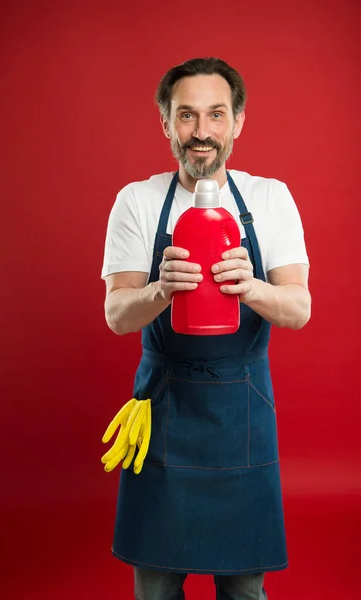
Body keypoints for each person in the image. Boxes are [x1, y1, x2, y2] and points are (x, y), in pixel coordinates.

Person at [101, 57, 311, 600]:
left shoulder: (270, 199)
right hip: (163, 410)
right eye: (186, 115)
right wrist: (159, 290)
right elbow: (117, 316)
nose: (201, 132)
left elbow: (299, 309)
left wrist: (253, 287)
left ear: (237, 121)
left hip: (241, 412)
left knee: (243, 590)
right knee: (156, 587)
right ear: (167, 124)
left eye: (216, 114)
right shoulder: (137, 201)